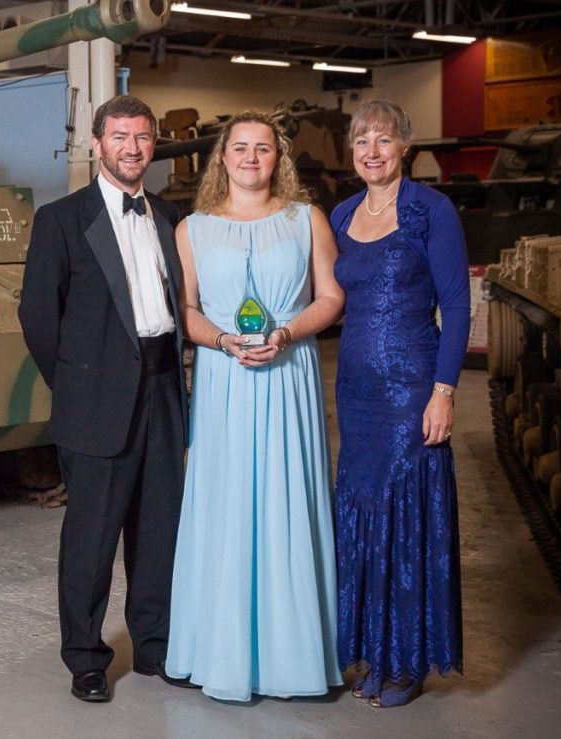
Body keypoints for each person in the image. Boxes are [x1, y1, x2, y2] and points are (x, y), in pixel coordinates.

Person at [19, 95, 194, 703]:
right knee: (91, 538)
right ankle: (87, 658)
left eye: (143, 137)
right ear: (97, 143)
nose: (132, 147)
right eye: (120, 136)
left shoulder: (172, 216)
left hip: (165, 391)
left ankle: (155, 646)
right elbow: (39, 319)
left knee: (160, 530)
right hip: (95, 399)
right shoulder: (62, 220)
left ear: (153, 146)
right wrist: (78, 386)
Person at [164, 110, 344, 702]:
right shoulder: (191, 228)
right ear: (223, 158)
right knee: (227, 503)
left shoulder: (305, 219)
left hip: (287, 377)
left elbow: (331, 296)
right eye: (238, 148)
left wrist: (287, 334)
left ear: (278, 158)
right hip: (224, 380)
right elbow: (186, 312)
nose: (249, 157)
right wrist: (222, 340)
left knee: (286, 501)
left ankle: (293, 659)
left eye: (262, 148)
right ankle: (220, 651)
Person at [331, 99, 469, 708]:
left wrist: (444, 391)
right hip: (356, 392)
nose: (372, 152)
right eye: (362, 142)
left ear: (404, 148)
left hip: (412, 389)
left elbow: (458, 306)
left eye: (383, 140)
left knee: (404, 520)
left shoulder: (430, 211)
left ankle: (406, 662)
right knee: (363, 518)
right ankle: (372, 654)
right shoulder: (340, 215)